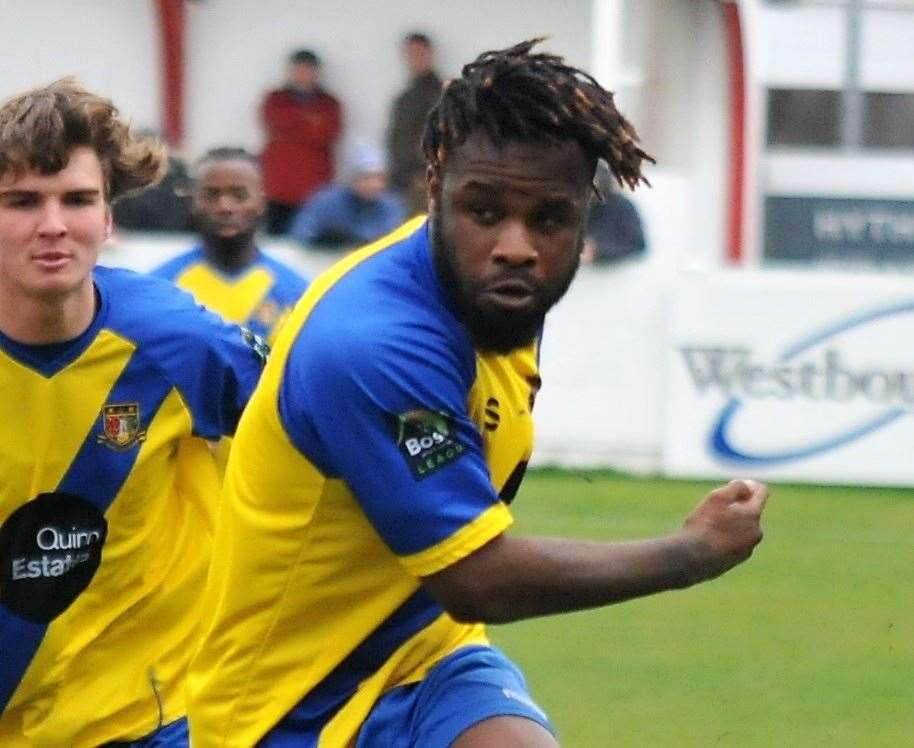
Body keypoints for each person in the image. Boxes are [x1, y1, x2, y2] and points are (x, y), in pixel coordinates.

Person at [187, 40, 768, 747]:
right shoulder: (376, 343)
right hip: (285, 707)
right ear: (435, 189)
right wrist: (689, 553)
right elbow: (476, 577)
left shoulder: (496, 290)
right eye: (485, 211)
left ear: (583, 215)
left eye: (549, 219)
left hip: (429, 655)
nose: (516, 245)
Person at [0, 80, 266, 746]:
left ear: (109, 218)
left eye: (78, 200)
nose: (53, 224)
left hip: (152, 721)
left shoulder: (185, 342)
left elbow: (310, 449)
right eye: (22, 202)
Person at [153, 147, 308, 344]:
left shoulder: (298, 294)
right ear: (193, 202)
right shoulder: (161, 287)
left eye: (239, 195)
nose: (225, 207)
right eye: (211, 195)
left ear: (261, 202)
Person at [261, 49, 343, 235]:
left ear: (316, 72)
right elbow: (274, 122)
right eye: (299, 69)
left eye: (308, 69)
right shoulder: (276, 99)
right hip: (278, 187)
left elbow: (328, 133)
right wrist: (309, 121)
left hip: (314, 188)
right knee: (276, 242)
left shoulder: (329, 104)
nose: (303, 74)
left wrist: (295, 125)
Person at [289, 140, 407, 249]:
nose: (374, 184)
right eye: (366, 178)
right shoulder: (326, 201)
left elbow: (393, 240)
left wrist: (356, 238)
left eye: (379, 178)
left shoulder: (390, 206)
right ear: (351, 179)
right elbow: (301, 232)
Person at [386, 32, 443, 214]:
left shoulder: (442, 94)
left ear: (429, 54)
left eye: (419, 53)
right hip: (401, 180)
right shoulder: (405, 97)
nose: (415, 59)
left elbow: (443, 136)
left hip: (426, 179)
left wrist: (426, 170)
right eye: (410, 54)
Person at [582, 161, 646, 264]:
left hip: (616, 274)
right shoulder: (574, 207)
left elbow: (637, 245)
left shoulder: (622, 208)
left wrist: (599, 251)